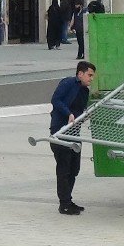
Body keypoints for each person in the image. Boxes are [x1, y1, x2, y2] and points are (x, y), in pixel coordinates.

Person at [49, 61, 96, 215]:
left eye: (92, 76)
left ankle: (68, 199)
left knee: (74, 169)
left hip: (75, 134)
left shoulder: (85, 91)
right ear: (80, 73)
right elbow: (56, 100)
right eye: (89, 75)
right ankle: (64, 204)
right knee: (64, 169)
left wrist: (84, 115)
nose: (91, 79)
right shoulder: (68, 83)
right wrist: (68, 113)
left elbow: (80, 112)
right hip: (60, 133)